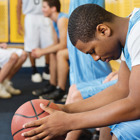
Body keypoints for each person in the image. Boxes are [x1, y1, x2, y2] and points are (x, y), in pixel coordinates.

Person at [21, 4, 140, 140]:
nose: (95, 58)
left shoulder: (137, 34)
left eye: (93, 51)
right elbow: (121, 89)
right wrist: (66, 110)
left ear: (103, 30)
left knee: (122, 133)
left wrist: (69, 121)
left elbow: (136, 105)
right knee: (109, 123)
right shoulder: (128, 32)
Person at [31, 0, 69, 101]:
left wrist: (41, 52)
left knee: (60, 54)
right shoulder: (54, 21)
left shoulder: (62, 19)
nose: (42, 10)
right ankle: (52, 85)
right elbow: (55, 44)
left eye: (44, 7)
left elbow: (63, 44)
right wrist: (41, 50)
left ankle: (61, 89)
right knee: (52, 53)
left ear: (53, 8)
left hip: (80, 49)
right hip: (70, 48)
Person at [17, 0, 54, 83]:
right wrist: (18, 23)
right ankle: (34, 70)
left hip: (44, 15)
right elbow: (19, 4)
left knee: (48, 43)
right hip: (30, 16)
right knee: (31, 44)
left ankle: (47, 69)